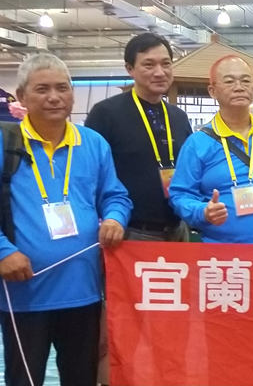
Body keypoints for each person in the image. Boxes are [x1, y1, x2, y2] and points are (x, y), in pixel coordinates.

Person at [0, 53, 132, 386]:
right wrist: (3, 251)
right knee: (24, 380)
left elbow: (115, 195)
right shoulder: (4, 142)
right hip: (24, 293)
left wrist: (115, 218)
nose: (54, 97)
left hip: (84, 291)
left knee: (81, 378)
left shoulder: (93, 143)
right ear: (22, 96)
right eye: (42, 89)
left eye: (62, 88)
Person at [169, 55, 253, 244]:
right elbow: (180, 195)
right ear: (212, 91)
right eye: (229, 81)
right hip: (221, 252)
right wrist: (202, 211)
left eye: (245, 81)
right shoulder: (197, 143)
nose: (239, 87)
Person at [85, 32, 193, 242]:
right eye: (149, 65)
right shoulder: (106, 113)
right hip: (129, 232)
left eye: (166, 64)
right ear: (130, 69)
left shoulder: (178, 117)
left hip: (178, 229)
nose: (160, 72)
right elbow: (92, 174)